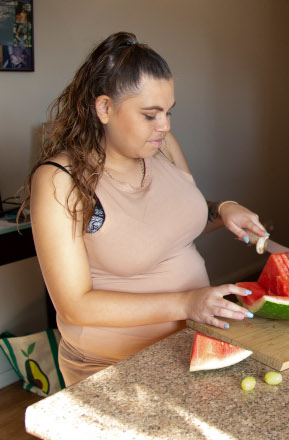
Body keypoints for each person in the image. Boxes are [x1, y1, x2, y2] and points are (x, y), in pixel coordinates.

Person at [18, 32, 266, 385]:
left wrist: (224, 209)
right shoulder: (59, 180)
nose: (164, 126)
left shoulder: (162, 147)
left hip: (190, 345)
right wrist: (185, 303)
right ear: (104, 108)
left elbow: (170, 226)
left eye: (167, 112)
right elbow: (75, 304)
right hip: (112, 367)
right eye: (150, 115)